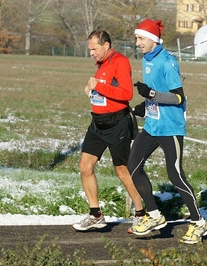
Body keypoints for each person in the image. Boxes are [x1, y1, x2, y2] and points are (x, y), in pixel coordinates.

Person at [128, 19, 207, 244]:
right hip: (153, 126)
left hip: (171, 128)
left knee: (175, 176)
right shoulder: (147, 60)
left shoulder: (167, 62)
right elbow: (155, 94)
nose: (137, 43)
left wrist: (151, 95)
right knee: (132, 167)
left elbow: (177, 97)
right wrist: (145, 107)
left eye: (140, 38)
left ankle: (199, 222)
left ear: (153, 40)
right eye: (137, 38)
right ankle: (155, 215)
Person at [73, 30, 145, 232]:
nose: (92, 53)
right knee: (85, 166)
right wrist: (92, 90)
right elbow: (104, 89)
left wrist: (100, 87)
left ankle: (141, 213)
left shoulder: (120, 61)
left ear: (106, 45)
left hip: (118, 124)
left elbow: (126, 94)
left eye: (94, 49)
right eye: (90, 50)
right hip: (98, 123)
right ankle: (95, 214)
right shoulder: (102, 64)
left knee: (122, 170)